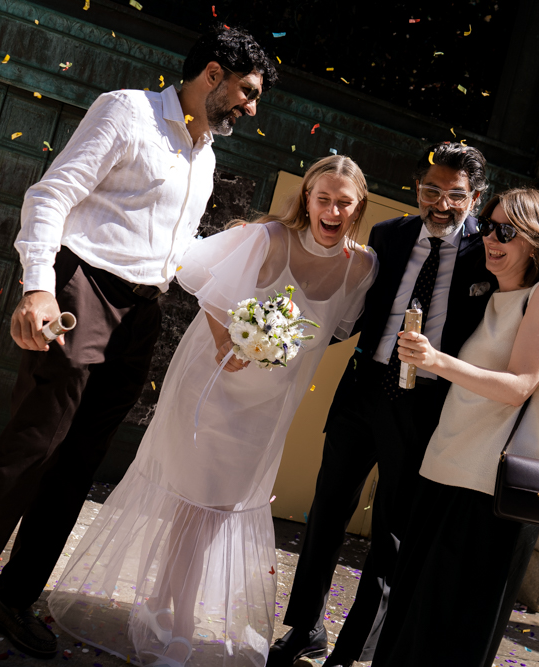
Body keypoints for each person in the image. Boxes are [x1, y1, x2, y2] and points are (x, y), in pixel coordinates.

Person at [0, 27, 278, 667]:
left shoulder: (205, 154)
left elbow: (176, 253)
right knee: (33, 447)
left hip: (143, 309)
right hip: (82, 289)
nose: (251, 109)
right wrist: (38, 289)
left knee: (79, 463)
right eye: (247, 92)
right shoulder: (128, 111)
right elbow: (51, 195)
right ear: (213, 74)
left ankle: (12, 598)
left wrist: (235, 259)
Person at [45, 155, 379, 667]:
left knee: (216, 512)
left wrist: (275, 348)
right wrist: (230, 342)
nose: (332, 211)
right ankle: (181, 629)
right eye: (323, 199)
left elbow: (333, 328)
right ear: (307, 198)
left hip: (270, 405)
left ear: (358, 209)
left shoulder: (363, 266)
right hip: (213, 389)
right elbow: (197, 272)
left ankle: (159, 604)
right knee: (194, 506)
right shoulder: (266, 239)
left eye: (343, 203)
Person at [270, 144, 539, 667]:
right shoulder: (387, 236)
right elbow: (351, 305)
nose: (441, 204)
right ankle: (304, 627)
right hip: (361, 394)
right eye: (430, 191)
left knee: (390, 539)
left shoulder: (486, 249)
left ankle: (349, 653)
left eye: (455, 196)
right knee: (325, 516)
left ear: (476, 197)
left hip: (424, 412)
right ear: (416, 189)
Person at [373, 188, 539, 666]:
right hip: (444, 470)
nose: (491, 239)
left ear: (537, 241)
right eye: (487, 226)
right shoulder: (490, 295)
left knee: (452, 628)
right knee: (413, 615)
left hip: (489, 488)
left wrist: (435, 360)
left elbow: (519, 385)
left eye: (507, 231)